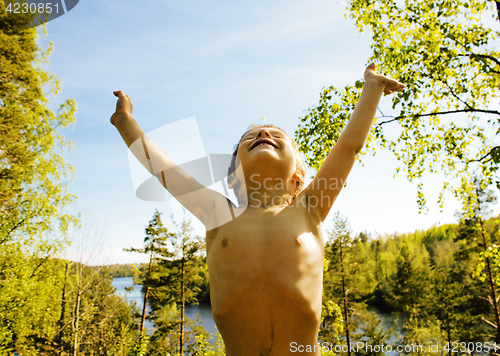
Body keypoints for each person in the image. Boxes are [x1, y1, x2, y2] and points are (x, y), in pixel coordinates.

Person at [110, 63, 404, 355]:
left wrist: (372, 87)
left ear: (298, 178)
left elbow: (348, 146)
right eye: (250, 138)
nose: (264, 134)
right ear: (234, 176)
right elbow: (164, 170)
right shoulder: (218, 212)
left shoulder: (310, 208)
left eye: (278, 137)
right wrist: (125, 121)